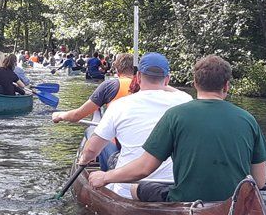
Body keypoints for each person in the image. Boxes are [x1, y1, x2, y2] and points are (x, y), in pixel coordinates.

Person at [88, 55, 266, 203]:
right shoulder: (249, 119)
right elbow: (259, 181)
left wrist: (105, 177)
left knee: (135, 188)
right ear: (227, 86)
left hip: (184, 200)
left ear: (195, 83)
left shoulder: (176, 115)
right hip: (232, 204)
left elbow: (144, 169)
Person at [77, 53, 191, 198]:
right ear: (167, 79)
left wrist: (84, 160)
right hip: (169, 187)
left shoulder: (119, 105)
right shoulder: (185, 101)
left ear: (138, 77)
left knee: (97, 139)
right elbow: (178, 92)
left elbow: (91, 150)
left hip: (127, 191)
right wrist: (162, 84)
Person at [53, 53, 136, 169]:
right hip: (143, 154)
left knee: (91, 131)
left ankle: (103, 171)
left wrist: (60, 115)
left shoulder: (110, 86)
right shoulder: (146, 88)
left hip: (121, 153)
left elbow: (76, 115)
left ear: (117, 69)